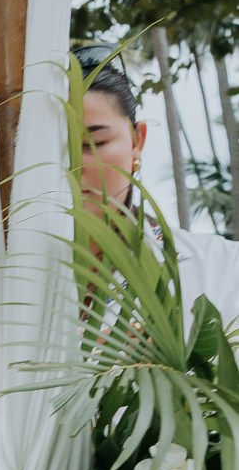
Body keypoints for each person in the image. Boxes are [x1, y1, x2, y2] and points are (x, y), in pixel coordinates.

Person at [78, 47, 239, 316]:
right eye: (52, 148)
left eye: (93, 144)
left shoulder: (221, 269)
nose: (72, 166)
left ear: (137, 142)